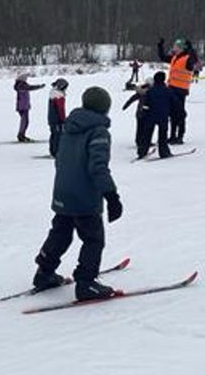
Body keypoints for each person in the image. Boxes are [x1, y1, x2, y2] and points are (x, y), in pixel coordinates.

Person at [32, 86, 123, 300]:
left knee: (61, 233)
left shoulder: (68, 127)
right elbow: (98, 167)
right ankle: (86, 283)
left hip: (63, 191)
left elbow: (60, 157)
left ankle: (44, 272)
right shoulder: (98, 131)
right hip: (84, 196)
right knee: (93, 239)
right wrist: (112, 196)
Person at [157, 36, 199, 144]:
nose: (174, 48)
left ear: (182, 48)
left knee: (179, 114)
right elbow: (162, 57)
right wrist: (160, 46)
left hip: (181, 90)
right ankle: (172, 135)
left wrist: (191, 49)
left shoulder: (188, 58)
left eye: (176, 46)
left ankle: (180, 136)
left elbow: (195, 63)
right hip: (171, 88)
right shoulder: (175, 57)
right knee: (172, 114)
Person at [138, 72, 172, 159]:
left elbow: (145, 104)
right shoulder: (167, 91)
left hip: (150, 115)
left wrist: (143, 114)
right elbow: (175, 103)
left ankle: (142, 152)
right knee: (163, 135)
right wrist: (180, 113)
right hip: (163, 115)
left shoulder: (150, 91)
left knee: (147, 134)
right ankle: (164, 152)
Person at [122, 79, 151, 154]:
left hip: (139, 113)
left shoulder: (140, 91)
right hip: (146, 113)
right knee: (145, 128)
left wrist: (125, 106)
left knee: (140, 128)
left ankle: (139, 141)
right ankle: (142, 142)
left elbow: (132, 99)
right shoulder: (150, 92)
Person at [14, 72, 45, 142]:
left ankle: (22, 135)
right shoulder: (21, 85)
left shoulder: (21, 84)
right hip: (22, 106)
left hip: (24, 106)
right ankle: (21, 135)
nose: (26, 79)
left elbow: (29, 87)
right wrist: (39, 86)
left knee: (25, 121)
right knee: (25, 121)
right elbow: (30, 88)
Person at [47, 78, 68, 158]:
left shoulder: (53, 93)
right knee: (58, 136)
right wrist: (63, 119)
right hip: (57, 120)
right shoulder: (59, 96)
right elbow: (61, 109)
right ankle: (56, 152)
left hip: (52, 119)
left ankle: (53, 151)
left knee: (54, 135)